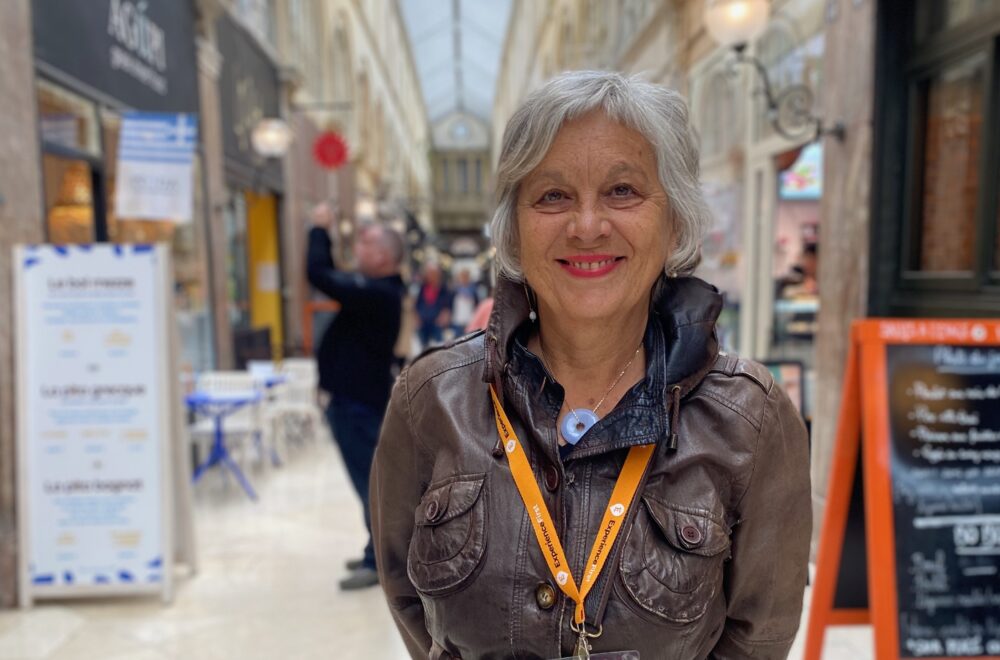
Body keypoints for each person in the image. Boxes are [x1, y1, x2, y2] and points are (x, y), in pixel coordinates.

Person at [371, 71, 810, 658]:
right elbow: (407, 596)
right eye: (552, 196)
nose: (586, 226)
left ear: (674, 219)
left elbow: (759, 634)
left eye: (623, 190)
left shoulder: (751, 419)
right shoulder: (430, 399)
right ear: (515, 230)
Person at [306, 202, 406, 591]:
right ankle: (376, 551)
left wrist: (319, 230)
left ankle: (380, 562)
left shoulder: (379, 294)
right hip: (355, 404)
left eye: (365, 244)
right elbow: (330, 276)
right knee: (368, 483)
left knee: (371, 485)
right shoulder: (376, 292)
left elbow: (319, 274)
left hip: (358, 407)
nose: (357, 250)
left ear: (382, 256)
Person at [414, 262, 452, 348]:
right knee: (423, 347)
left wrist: (444, 317)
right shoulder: (422, 287)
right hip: (423, 322)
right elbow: (417, 304)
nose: (430, 275)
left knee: (440, 347)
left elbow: (448, 306)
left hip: (437, 323)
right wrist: (417, 318)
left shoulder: (444, 288)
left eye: (433, 273)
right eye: (429, 273)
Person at [449, 268, 480, 336]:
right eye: (462, 277)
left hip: (470, 321)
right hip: (457, 322)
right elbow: (450, 305)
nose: (464, 278)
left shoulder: (474, 291)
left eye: (466, 276)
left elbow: (477, 306)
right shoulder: (454, 291)